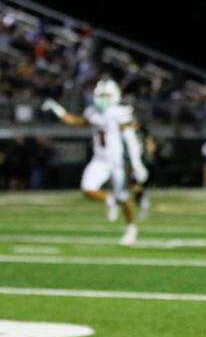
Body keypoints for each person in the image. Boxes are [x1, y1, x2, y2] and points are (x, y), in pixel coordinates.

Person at [42, 78, 145, 245]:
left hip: (117, 161)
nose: (103, 98)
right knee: (87, 189)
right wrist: (58, 110)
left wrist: (136, 163)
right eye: (101, 95)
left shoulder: (120, 112)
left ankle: (131, 228)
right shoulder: (93, 112)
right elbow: (76, 121)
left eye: (106, 95)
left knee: (123, 196)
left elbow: (130, 138)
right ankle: (108, 200)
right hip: (99, 159)